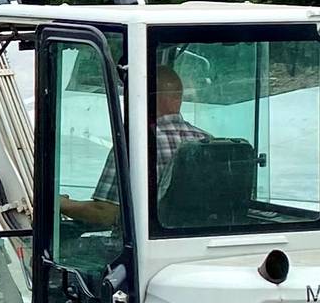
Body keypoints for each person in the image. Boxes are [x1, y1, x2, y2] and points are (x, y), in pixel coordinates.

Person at [59, 63, 208, 227]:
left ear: (144, 97)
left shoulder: (134, 146)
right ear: (178, 98)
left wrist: (63, 204)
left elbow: (106, 214)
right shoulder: (207, 141)